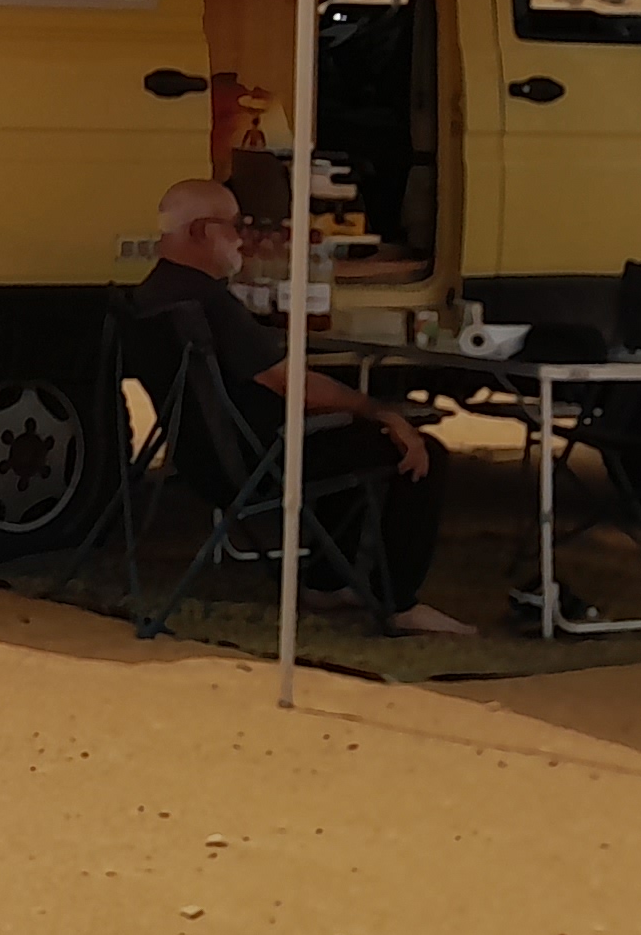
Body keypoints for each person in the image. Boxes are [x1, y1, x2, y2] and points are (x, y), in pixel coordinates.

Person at [137, 177, 470, 638]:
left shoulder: (153, 294)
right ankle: (400, 602)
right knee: (421, 453)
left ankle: (326, 581)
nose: (244, 238)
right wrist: (380, 410)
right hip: (257, 460)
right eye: (235, 225)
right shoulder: (208, 301)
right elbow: (295, 385)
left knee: (345, 440)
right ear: (200, 231)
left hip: (205, 460)